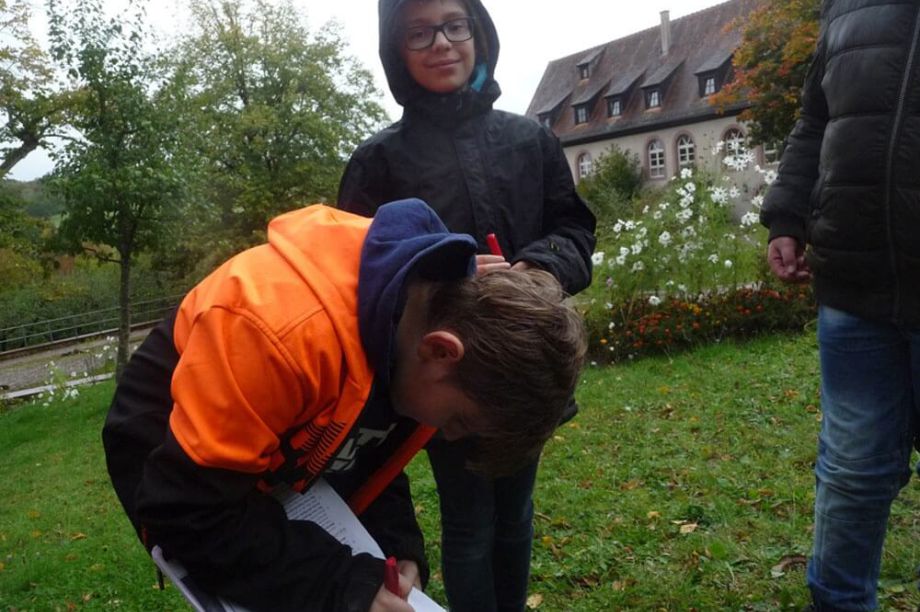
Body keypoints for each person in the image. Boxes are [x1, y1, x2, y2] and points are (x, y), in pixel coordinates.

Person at [101, 199, 587, 612]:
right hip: (166, 450)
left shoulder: (422, 331)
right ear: (442, 351)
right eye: (460, 421)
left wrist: (399, 547)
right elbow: (188, 515)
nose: (449, 434)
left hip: (271, 452)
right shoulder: (279, 334)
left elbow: (369, 443)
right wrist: (344, 586)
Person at [337, 1, 596, 610]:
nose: (442, 43)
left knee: (516, 514)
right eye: (419, 32)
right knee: (470, 522)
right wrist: (436, 277)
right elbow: (354, 273)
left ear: (478, 33)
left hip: (521, 371)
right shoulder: (379, 161)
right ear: (396, 50)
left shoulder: (530, 140)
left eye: (455, 25)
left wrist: (539, 269)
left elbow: (574, 230)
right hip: (442, 380)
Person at [760, 1, 920, 609]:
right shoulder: (846, 7)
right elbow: (814, 121)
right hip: (853, 283)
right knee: (851, 473)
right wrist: (787, 215)